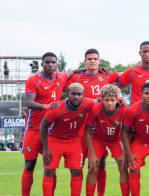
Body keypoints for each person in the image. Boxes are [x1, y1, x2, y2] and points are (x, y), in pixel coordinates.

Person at [65, 48, 119, 196]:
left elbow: (124, 79)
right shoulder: (77, 78)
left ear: (99, 61)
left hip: (101, 126)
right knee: (79, 165)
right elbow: (61, 78)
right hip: (82, 126)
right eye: (89, 59)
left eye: (95, 59)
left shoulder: (107, 75)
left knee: (99, 164)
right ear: (85, 61)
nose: (92, 61)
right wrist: (79, 69)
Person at [21, 52, 69, 196]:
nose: (51, 64)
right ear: (42, 64)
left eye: (53, 62)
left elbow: (73, 72)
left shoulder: (61, 76)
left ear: (57, 65)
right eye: (47, 62)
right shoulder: (34, 80)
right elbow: (28, 102)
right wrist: (45, 106)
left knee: (50, 167)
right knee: (29, 165)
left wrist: (89, 70)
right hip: (34, 129)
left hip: (51, 131)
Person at [40, 83, 95, 196]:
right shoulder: (57, 108)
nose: (76, 96)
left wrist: (120, 101)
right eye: (73, 94)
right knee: (49, 171)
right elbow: (43, 126)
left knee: (77, 171)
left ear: (83, 95)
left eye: (79, 94)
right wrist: (45, 149)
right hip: (55, 140)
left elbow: (101, 102)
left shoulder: (88, 103)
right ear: (68, 94)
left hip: (73, 141)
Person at [85, 84, 129, 196]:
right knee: (93, 167)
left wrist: (125, 153)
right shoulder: (96, 109)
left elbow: (128, 132)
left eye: (112, 100)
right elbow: (88, 131)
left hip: (116, 139)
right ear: (102, 99)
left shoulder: (124, 110)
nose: (109, 103)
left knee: (122, 165)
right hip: (98, 139)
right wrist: (92, 154)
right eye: (106, 100)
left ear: (117, 100)